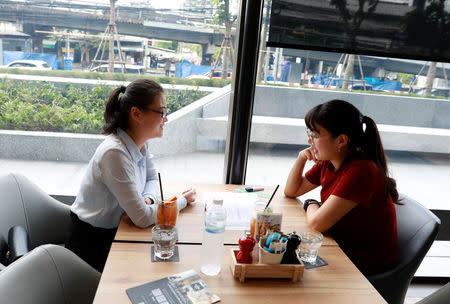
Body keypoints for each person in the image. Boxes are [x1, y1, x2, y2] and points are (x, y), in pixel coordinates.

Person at [66, 79, 196, 272]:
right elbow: (142, 218)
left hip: (117, 230)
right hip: (93, 243)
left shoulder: (139, 143)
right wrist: (181, 202)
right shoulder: (115, 153)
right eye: (161, 112)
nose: (165, 119)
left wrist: (149, 199)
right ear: (136, 113)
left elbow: (151, 179)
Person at [284, 99, 398, 276]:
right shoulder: (330, 161)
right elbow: (292, 191)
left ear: (341, 140)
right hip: (343, 248)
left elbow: (317, 223)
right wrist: (301, 158)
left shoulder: (361, 171)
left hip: (366, 266)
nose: (309, 140)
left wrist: (311, 204)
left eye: (315, 135)